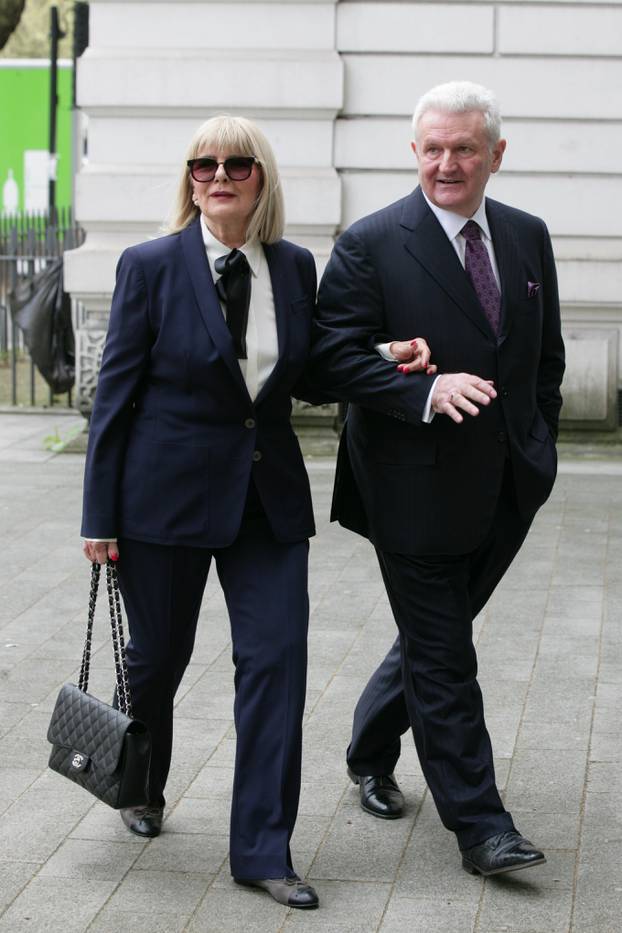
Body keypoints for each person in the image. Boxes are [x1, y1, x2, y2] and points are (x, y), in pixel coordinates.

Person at [310, 81, 565, 877]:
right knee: (447, 654)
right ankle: (482, 826)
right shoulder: (372, 242)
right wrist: (421, 388)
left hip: (509, 487)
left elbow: (544, 358)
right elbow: (331, 360)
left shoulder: (527, 235)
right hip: (411, 490)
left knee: (432, 636)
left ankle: (367, 746)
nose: (446, 163)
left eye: (463, 148)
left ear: (495, 153)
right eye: (432, 148)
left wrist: (541, 443)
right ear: (414, 151)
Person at [81, 115, 324, 909]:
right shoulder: (149, 265)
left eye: (237, 164)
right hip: (164, 500)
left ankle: (261, 849)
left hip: (266, 500)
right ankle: (140, 784)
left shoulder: (293, 267)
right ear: (189, 179)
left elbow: (306, 368)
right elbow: (114, 394)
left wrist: (382, 358)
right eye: (203, 164)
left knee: (277, 661)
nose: (219, 175)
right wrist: (99, 516)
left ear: (263, 176)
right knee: (156, 661)